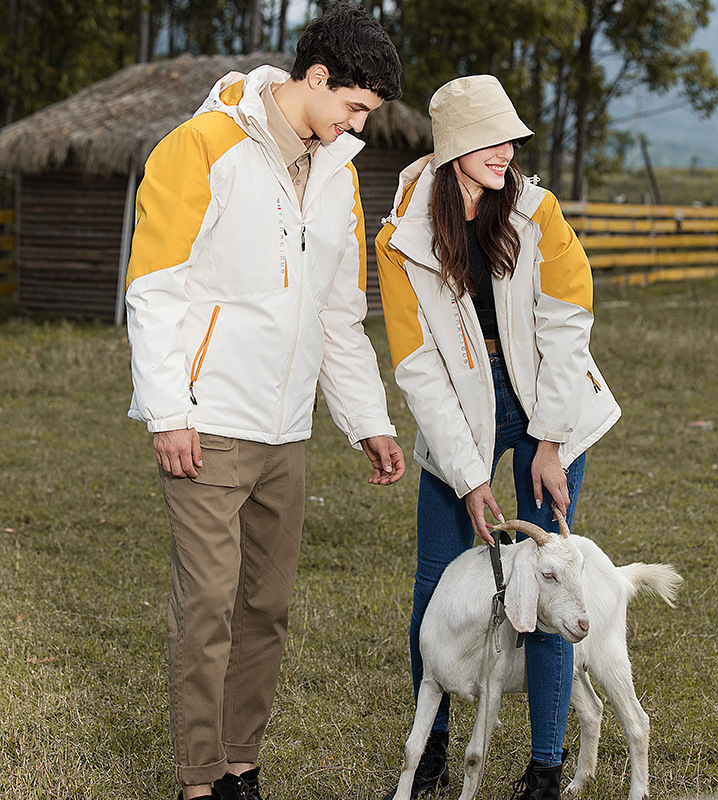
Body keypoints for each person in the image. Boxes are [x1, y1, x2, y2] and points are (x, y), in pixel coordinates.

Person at [125, 5, 405, 799]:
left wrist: (369, 423)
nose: (356, 123)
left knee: (266, 607)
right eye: (353, 105)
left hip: (287, 434)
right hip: (207, 424)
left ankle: (241, 769)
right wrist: (170, 411)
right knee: (208, 606)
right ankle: (197, 781)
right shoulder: (202, 146)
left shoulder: (340, 174)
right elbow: (154, 290)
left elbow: (338, 315)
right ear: (316, 77)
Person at [376, 75, 621, 800]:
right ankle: (433, 751)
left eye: (512, 137)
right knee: (436, 576)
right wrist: (470, 476)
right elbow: (418, 368)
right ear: (452, 148)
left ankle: (546, 764)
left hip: (551, 401)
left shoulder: (540, 212)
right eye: (489, 139)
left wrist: (550, 439)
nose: (507, 151)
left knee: (547, 573)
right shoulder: (404, 239)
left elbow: (568, 323)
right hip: (461, 413)